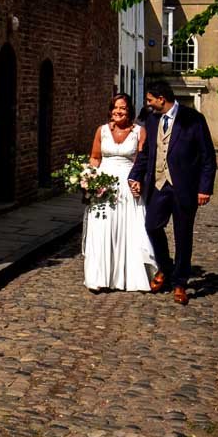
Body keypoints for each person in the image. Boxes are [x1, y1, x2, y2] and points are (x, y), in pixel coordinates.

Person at [127, 80, 217, 305]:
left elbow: (208, 156)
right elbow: (147, 152)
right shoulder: (152, 119)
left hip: (185, 187)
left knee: (183, 235)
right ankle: (165, 268)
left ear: (161, 99)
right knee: (152, 226)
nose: (147, 104)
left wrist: (204, 188)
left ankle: (180, 283)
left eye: (150, 100)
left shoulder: (193, 119)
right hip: (158, 185)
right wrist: (134, 174)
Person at [82, 93, 158, 292]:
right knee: (102, 230)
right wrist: (88, 177)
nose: (118, 111)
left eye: (122, 108)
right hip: (103, 187)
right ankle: (99, 277)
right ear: (110, 110)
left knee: (129, 230)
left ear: (129, 111)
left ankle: (131, 276)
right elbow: (95, 158)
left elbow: (142, 161)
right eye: (115, 108)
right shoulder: (102, 131)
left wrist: (139, 181)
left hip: (127, 185)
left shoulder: (139, 132)